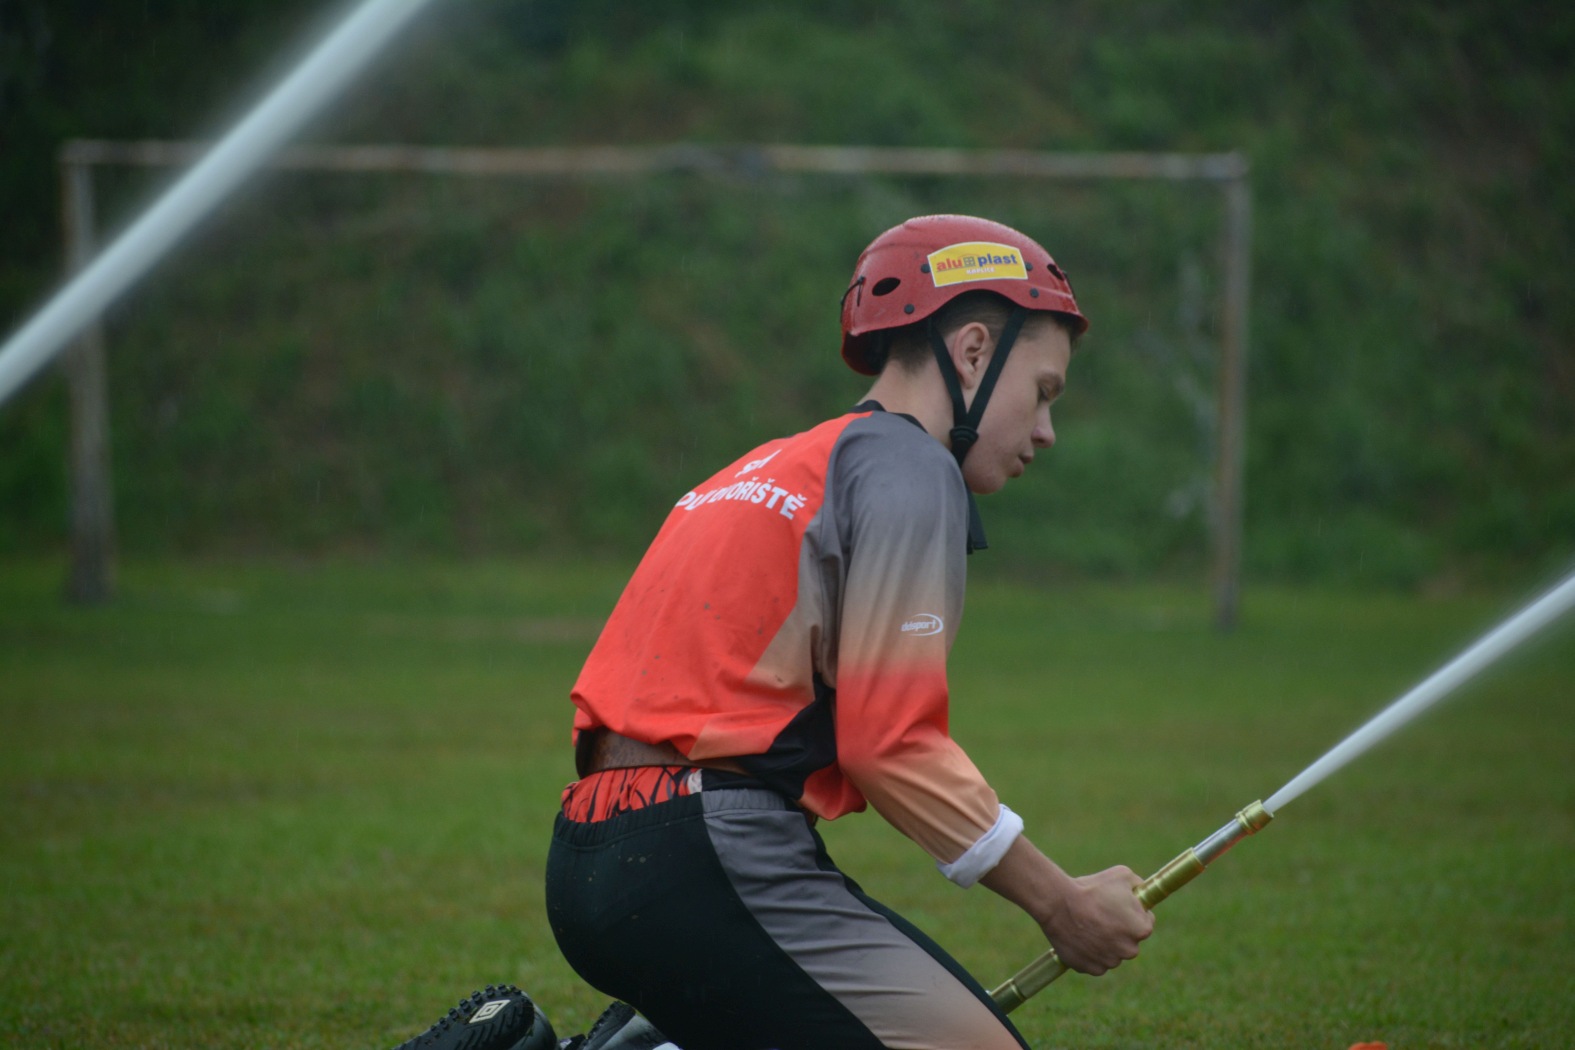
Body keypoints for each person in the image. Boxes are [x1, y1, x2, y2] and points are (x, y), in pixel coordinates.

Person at [545, 214, 1154, 1050]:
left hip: (586, 855)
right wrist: (1061, 902)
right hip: (706, 854)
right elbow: (890, 745)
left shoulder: (764, 465)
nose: (1045, 429)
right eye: (1043, 391)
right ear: (973, 352)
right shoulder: (909, 466)